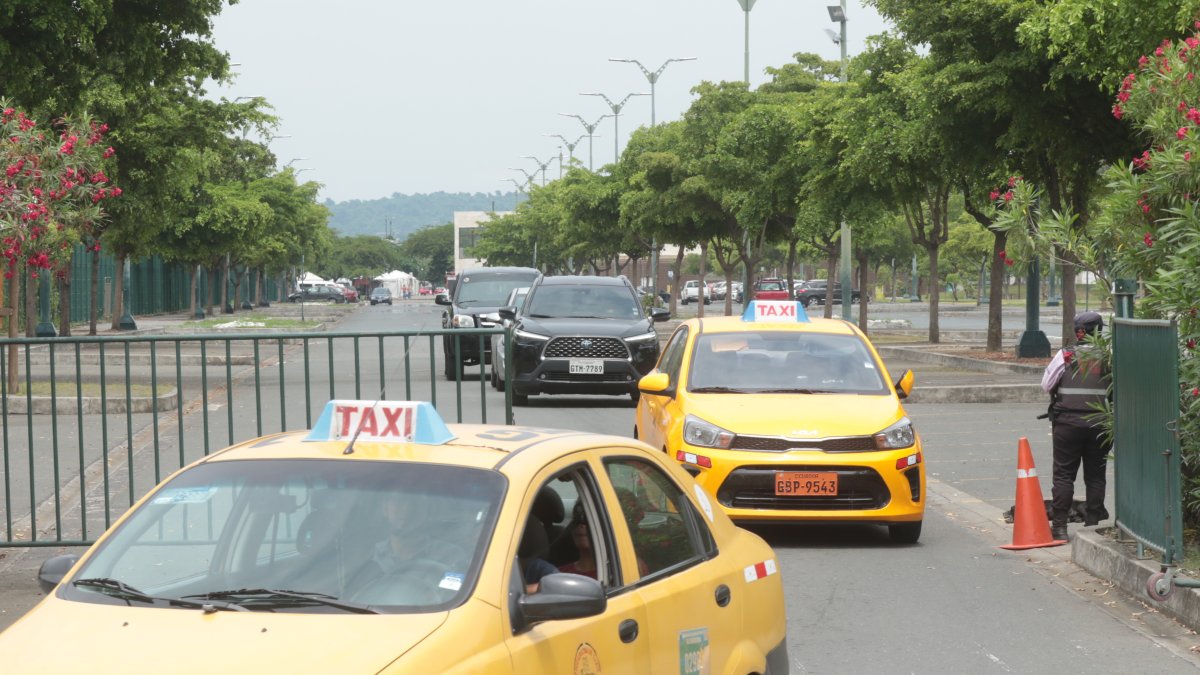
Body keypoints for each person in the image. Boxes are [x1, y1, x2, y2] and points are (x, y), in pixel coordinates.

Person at [1041, 311, 1112, 541]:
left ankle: (1060, 527)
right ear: (1098, 330)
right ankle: (1092, 525)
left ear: (1077, 331)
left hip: (1067, 424)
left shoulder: (1066, 355)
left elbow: (1046, 384)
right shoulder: (1109, 356)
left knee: (1063, 475)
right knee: (1095, 476)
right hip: (1100, 424)